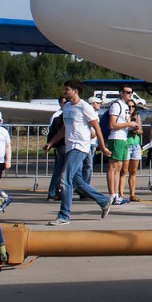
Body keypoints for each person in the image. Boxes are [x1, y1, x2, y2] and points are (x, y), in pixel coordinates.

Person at [46, 80, 112, 225]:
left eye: (67, 89)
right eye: (64, 89)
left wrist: (103, 146)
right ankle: (104, 200)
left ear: (75, 91)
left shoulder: (85, 107)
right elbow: (64, 129)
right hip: (69, 146)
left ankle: (64, 215)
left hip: (80, 147)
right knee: (78, 182)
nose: (64, 92)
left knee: (65, 179)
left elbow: (97, 128)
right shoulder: (68, 107)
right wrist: (51, 142)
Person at [105, 88, 134, 204]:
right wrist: (128, 124)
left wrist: (131, 126)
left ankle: (116, 194)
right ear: (121, 93)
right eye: (127, 92)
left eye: (131, 93)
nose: (130, 95)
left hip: (123, 138)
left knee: (119, 168)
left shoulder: (125, 106)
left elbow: (123, 123)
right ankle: (112, 194)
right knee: (113, 167)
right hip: (116, 138)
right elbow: (112, 124)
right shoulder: (116, 105)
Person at [122, 92, 144, 202]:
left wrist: (136, 129)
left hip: (135, 144)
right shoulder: (123, 116)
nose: (131, 108)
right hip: (126, 144)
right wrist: (128, 125)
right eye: (129, 106)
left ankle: (132, 194)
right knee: (123, 171)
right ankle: (120, 194)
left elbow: (141, 130)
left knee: (133, 171)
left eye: (132, 106)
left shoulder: (137, 116)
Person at [45, 97, 66, 200]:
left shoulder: (63, 116)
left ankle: (55, 191)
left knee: (60, 171)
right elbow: (54, 131)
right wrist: (53, 144)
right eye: (64, 102)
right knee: (62, 171)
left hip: (62, 146)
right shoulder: (57, 116)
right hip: (62, 146)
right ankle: (55, 191)